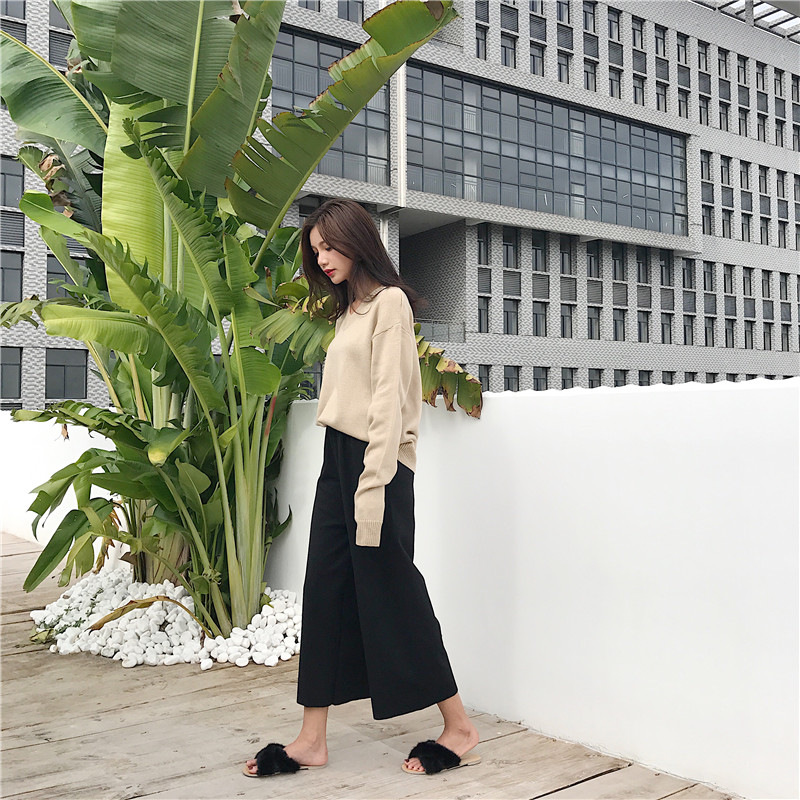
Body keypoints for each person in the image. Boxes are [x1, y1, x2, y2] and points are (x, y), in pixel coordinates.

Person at [244, 198, 480, 778]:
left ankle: (459, 726)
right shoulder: (347, 313)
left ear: (358, 240)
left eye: (331, 245)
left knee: (394, 590)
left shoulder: (389, 303)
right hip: (339, 462)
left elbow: (390, 403)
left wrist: (372, 487)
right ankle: (311, 739)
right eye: (316, 249)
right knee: (324, 589)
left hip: (379, 466)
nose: (323, 258)